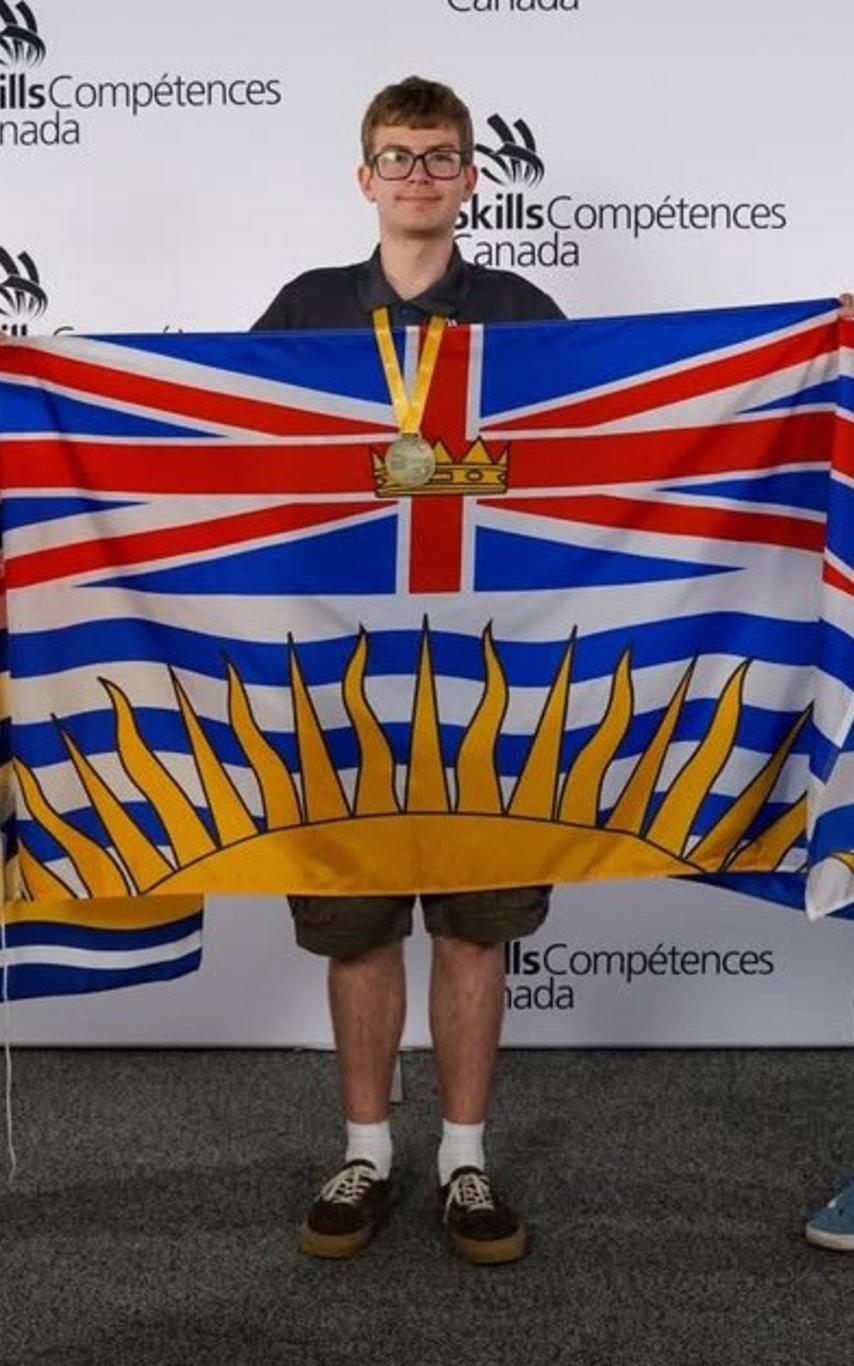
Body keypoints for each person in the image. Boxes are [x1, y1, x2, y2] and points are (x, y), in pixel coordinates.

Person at [253, 75, 563, 1265]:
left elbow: (572, 472)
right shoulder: (307, 307)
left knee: (477, 929)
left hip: (489, 668)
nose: (419, 174)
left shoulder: (524, 312)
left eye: (440, 156)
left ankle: (464, 1159)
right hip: (343, 669)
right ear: (364, 175)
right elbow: (251, 467)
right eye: (399, 155)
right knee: (359, 928)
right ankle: (368, 1148)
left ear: (470, 176)